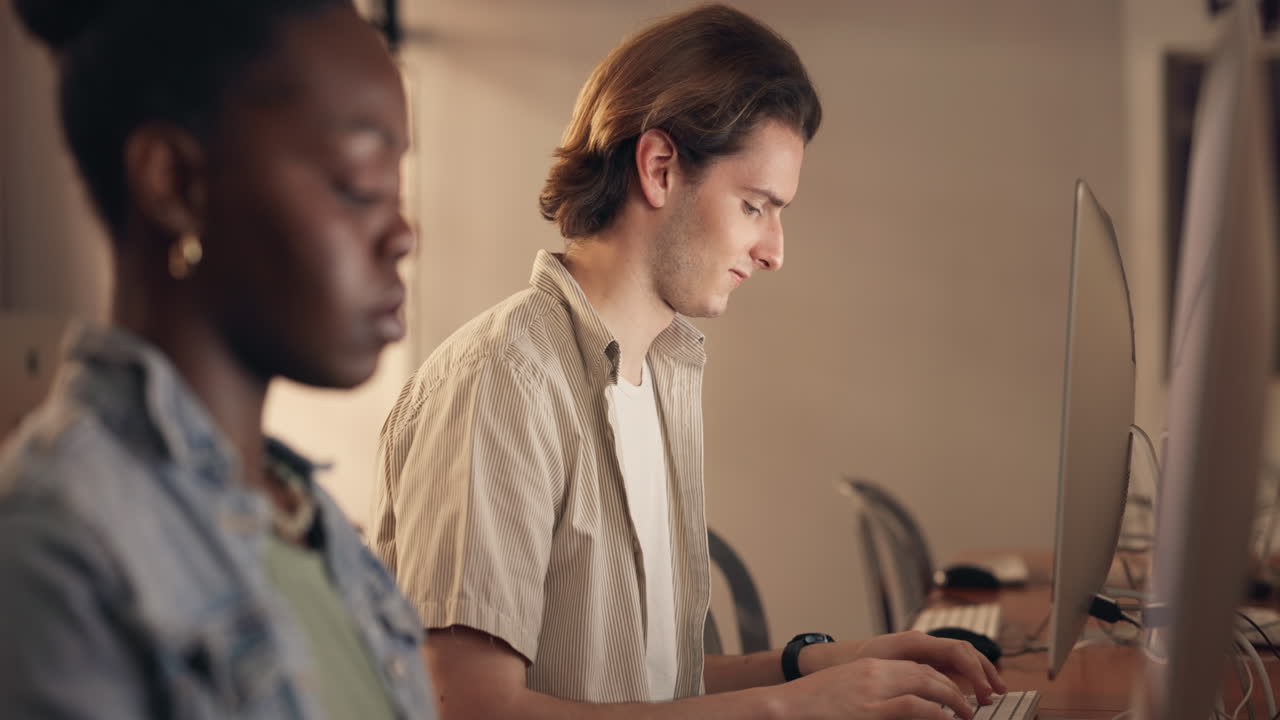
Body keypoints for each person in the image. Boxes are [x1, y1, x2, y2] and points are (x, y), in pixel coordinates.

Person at [370, 4, 1006, 719]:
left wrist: (819, 664)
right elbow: (468, 709)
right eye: (755, 206)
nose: (774, 251)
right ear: (660, 168)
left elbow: (647, 685)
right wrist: (795, 709)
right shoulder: (503, 383)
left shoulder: (659, 373)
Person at [0, 1, 435, 717]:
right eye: (359, 184)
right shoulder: (60, 551)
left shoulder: (323, 535)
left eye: (398, 185)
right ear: (175, 182)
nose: (403, 235)